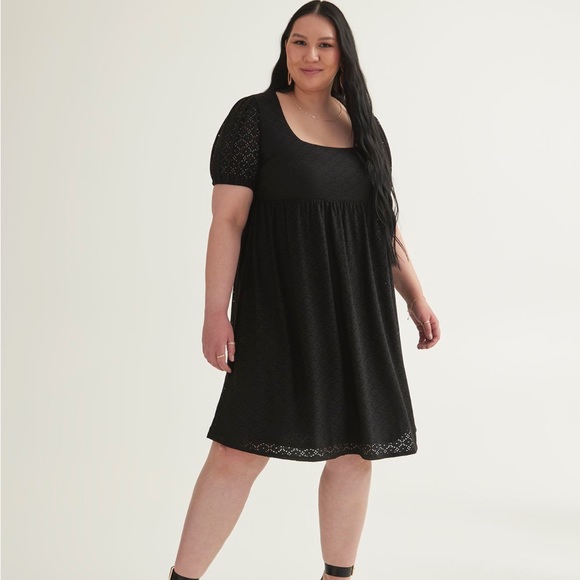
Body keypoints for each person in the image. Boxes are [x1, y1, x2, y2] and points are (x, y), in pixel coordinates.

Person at [169, 1, 440, 578]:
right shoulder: (254, 117)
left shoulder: (365, 128)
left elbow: (384, 227)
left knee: (354, 451)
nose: (310, 55)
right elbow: (227, 221)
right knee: (237, 451)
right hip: (279, 310)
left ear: (343, 55)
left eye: (323, 44)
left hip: (358, 312)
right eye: (298, 42)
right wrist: (216, 312)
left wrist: (415, 296)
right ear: (285, 49)